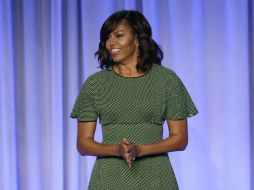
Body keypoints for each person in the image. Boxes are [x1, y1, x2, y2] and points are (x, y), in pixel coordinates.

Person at [71, 10, 198, 190]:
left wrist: (140, 150)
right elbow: (83, 144)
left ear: (138, 39)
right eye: (107, 38)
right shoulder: (95, 84)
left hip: (155, 178)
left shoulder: (167, 80)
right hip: (109, 179)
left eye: (119, 35)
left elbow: (180, 139)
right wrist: (116, 150)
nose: (111, 43)